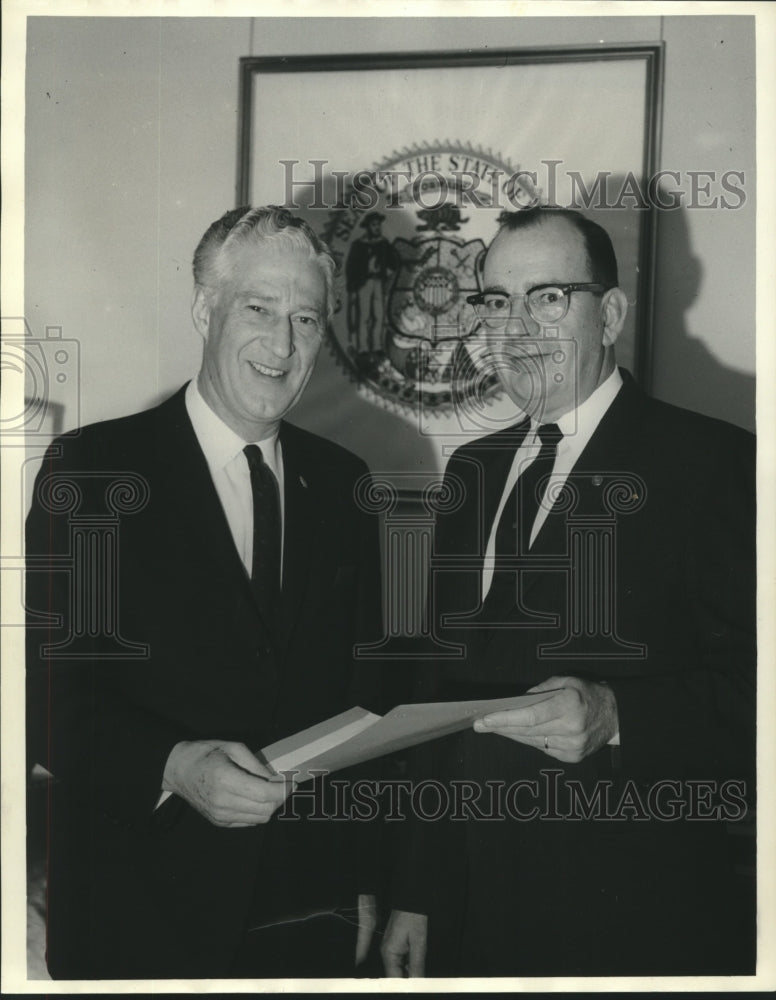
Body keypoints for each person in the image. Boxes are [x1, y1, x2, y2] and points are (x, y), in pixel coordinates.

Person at [381, 207, 756, 977]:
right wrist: (417, 892)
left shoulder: (715, 464)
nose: (514, 327)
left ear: (610, 313)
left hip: (635, 919)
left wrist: (622, 715)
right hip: (472, 917)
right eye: (494, 301)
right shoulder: (471, 472)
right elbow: (432, 691)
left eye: (546, 298)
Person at [25, 206, 386, 979]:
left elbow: (370, 695)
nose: (282, 344)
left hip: (302, 917)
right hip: (136, 915)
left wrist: (377, 881)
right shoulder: (94, 470)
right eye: (259, 309)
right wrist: (170, 764)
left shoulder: (346, 484)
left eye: (306, 319)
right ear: (204, 309)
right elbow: (42, 690)